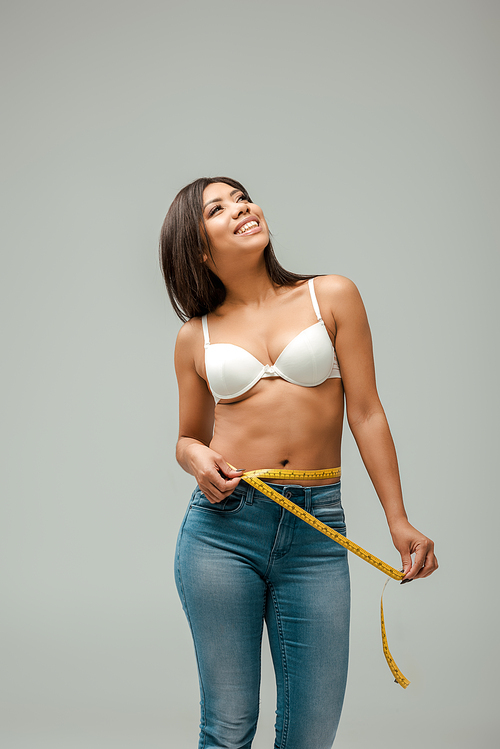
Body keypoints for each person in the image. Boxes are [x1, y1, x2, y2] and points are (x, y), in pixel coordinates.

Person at [159, 176, 438, 749]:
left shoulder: (330, 295)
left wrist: (398, 519)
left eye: (242, 197)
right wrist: (195, 459)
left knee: (310, 734)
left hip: (316, 527)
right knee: (228, 726)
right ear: (199, 247)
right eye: (219, 208)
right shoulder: (196, 337)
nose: (242, 208)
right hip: (222, 531)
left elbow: (366, 412)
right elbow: (187, 438)